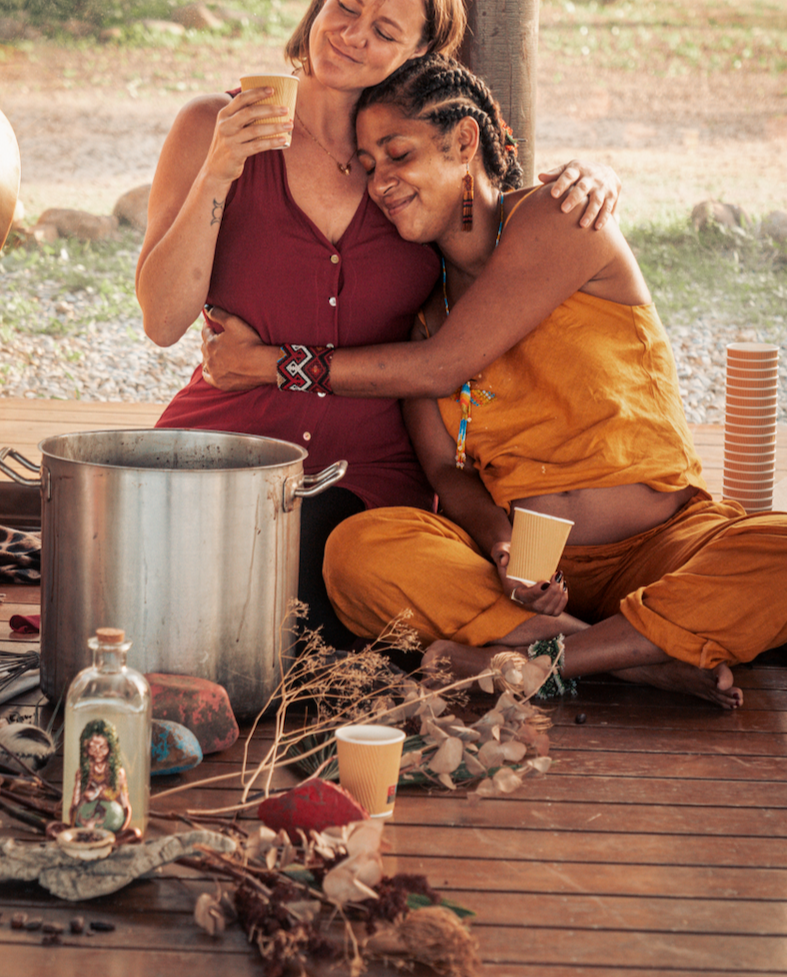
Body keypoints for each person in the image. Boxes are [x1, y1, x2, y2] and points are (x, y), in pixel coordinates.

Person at [136, 0, 621, 644]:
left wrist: (599, 177)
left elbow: (508, 229)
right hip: (222, 446)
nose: (351, 35)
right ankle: (609, 649)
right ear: (319, 1)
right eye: (345, 6)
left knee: (291, 610)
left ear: (419, 54)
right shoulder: (210, 124)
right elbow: (162, 319)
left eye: (385, 28)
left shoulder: (413, 164)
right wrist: (220, 168)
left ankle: (595, 649)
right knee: (153, 599)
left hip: (361, 473)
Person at [297, 53, 787, 709]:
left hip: (663, 544)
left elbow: (444, 365)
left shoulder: (562, 215)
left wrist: (280, 361)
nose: (381, 181)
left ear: (463, 141)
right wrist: (501, 546)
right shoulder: (425, 317)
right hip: (527, 579)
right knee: (358, 550)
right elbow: (446, 472)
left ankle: (546, 659)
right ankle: (635, 659)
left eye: (398, 154)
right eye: (369, 166)